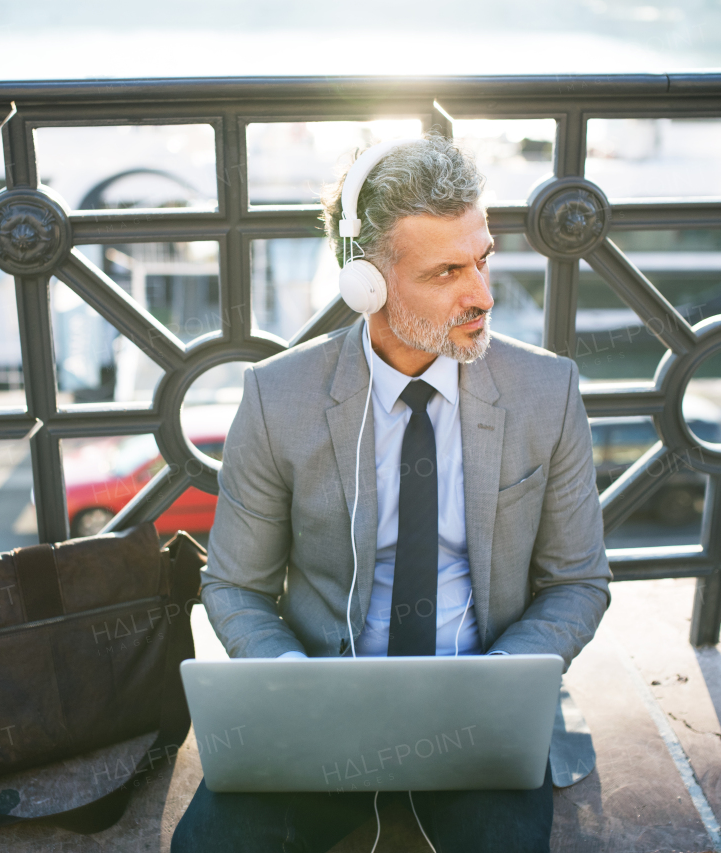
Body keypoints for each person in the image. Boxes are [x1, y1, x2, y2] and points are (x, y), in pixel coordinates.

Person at [172, 133, 611, 853]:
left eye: (483, 258)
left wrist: (501, 680)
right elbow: (234, 586)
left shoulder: (547, 391)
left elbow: (579, 582)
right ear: (367, 283)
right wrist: (290, 680)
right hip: (321, 711)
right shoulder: (276, 398)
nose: (483, 294)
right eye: (446, 271)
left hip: (481, 713)